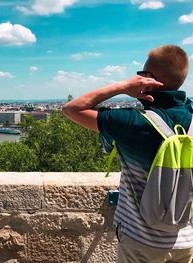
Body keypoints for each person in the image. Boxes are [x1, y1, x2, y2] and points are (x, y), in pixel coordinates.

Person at [62, 45, 193, 263]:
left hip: (141, 241)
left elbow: (71, 109)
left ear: (148, 79)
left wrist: (122, 87)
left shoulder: (132, 121)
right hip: (186, 239)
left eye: (140, 75)